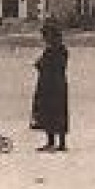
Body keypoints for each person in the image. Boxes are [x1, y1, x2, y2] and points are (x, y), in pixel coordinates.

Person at [31, 18, 70, 152]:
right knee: (49, 113)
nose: (44, 39)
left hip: (54, 85)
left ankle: (60, 143)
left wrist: (41, 65)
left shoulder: (58, 50)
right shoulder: (54, 50)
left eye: (46, 36)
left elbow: (55, 66)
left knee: (56, 112)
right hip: (50, 84)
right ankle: (52, 142)